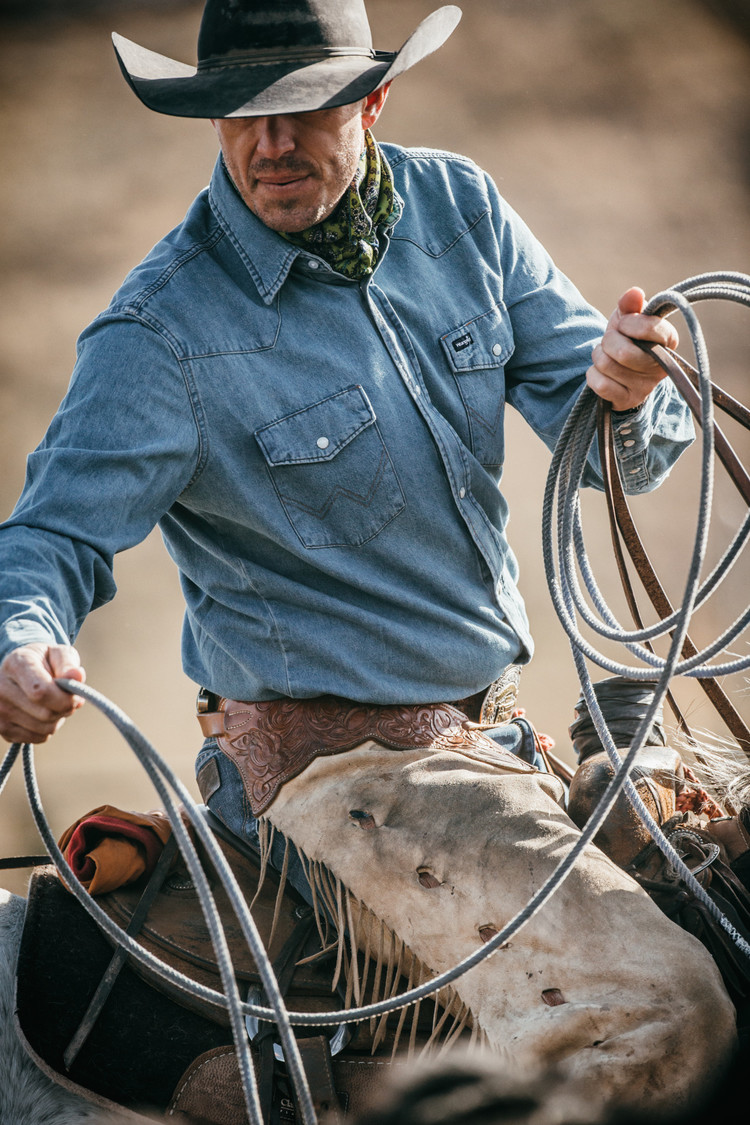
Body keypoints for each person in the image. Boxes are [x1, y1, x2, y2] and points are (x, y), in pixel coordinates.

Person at [0, 0, 736, 1112]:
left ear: (372, 102)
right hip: (336, 782)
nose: (270, 142)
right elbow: (48, 536)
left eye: (302, 107)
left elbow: (610, 450)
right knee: (664, 1012)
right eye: (239, 112)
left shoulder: (462, 211)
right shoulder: (160, 335)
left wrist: (631, 392)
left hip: (492, 737)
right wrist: (19, 644)